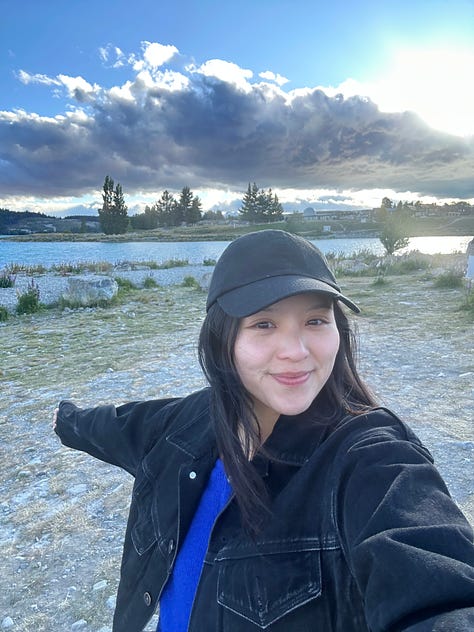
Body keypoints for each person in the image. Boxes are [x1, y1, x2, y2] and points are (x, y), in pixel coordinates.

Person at [53, 230, 474, 632]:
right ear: (223, 340)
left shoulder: (369, 456)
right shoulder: (183, 423)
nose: (296, 352)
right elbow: (109, 426)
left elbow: (438, 585)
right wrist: (64, 419)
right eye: (264, 324)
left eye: (315, 320)